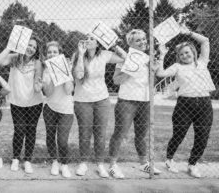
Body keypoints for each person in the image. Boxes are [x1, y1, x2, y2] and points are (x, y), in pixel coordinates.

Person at [156, 27, 215, 178]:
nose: (185, 55)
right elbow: (160, 73)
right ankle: (169, 160)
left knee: (202, 136)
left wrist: (188, 33)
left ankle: (192, 164)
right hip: (185, 104)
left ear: (193, 53)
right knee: (179, 134)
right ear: (179, 57)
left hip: (204, 104)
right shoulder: (177, 67)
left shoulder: (202, 62)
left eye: (187, 52)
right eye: (181, 54)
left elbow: (205, 41)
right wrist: (162, 55)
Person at [107, 29, 161, 179]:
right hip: (127, 101)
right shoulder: (125, 58)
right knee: (120, 134)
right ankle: (112, 165)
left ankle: (144, 163)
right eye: (138, 40)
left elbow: (152, 83)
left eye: (144, 39)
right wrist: (130, 70)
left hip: (145, 101)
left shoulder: (148, 58)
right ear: (130, 43)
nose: (143, 42)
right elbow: (116, 80)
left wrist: (154, 71)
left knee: (142, 135)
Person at [71, 33, 126, 178]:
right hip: (82, 100)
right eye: (86, 38)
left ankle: (100, 164)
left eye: (91, 39)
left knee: (100, 134)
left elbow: (126, 58)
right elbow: (78, 76)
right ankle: (83, 163)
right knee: (85, 133)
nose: (88, 40)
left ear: (98, 43)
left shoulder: (105, 55)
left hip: (101, 100)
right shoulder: (76, 55)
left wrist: (114, 44)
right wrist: (81, 54)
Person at [0, 35, 43, 174]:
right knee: (19, 130)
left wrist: (38, 86)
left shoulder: (37, 62)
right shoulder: (15, 58)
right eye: (29, 45)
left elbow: (37, 83)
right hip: (17, 101)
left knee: (31, 131)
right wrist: (10, 46)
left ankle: (27, 160)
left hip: (34, 102)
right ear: (23, 45)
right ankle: (16, 158)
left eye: (34, 47)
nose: (31, 49)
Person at [41, 41, 74, 178]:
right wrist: (53, 75)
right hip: (50, 108)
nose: (52, 54)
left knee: (62, 140)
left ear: (60, 54)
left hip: (66, 110)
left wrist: (64, 73)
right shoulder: (45, 70)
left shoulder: (67, 68)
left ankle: (64, 164)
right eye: (49, 52)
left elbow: (68, 91)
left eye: (55, 52)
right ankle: (54, 161)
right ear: (46, 55)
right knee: (50, 136)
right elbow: (47, 93)